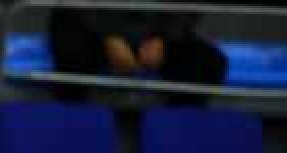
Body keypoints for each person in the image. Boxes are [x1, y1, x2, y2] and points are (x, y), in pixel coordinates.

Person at [48, 7, 227, 103]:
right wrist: (108, 35)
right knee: (70, 47)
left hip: (157, 32)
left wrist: (163, 37)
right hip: (92, 30)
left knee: (208, 62)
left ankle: (176, 133)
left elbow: (187, 11)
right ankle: (74, 127)